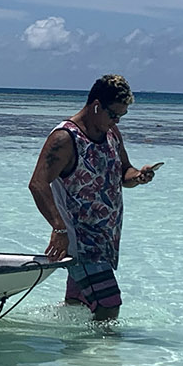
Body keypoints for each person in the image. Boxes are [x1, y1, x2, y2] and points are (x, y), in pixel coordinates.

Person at [28, 73, 159, 320]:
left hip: (105, 240)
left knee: (76, 310)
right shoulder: (65, 138)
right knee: (109, 306)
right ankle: (104, 357)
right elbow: (37, 184)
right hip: (81, 243)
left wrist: (138, 177)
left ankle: (75, 358)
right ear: (96, 105)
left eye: (122, 116)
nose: (117, 120)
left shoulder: (111, 133)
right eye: (113, 114)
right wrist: (59, 229)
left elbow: (123, 172)